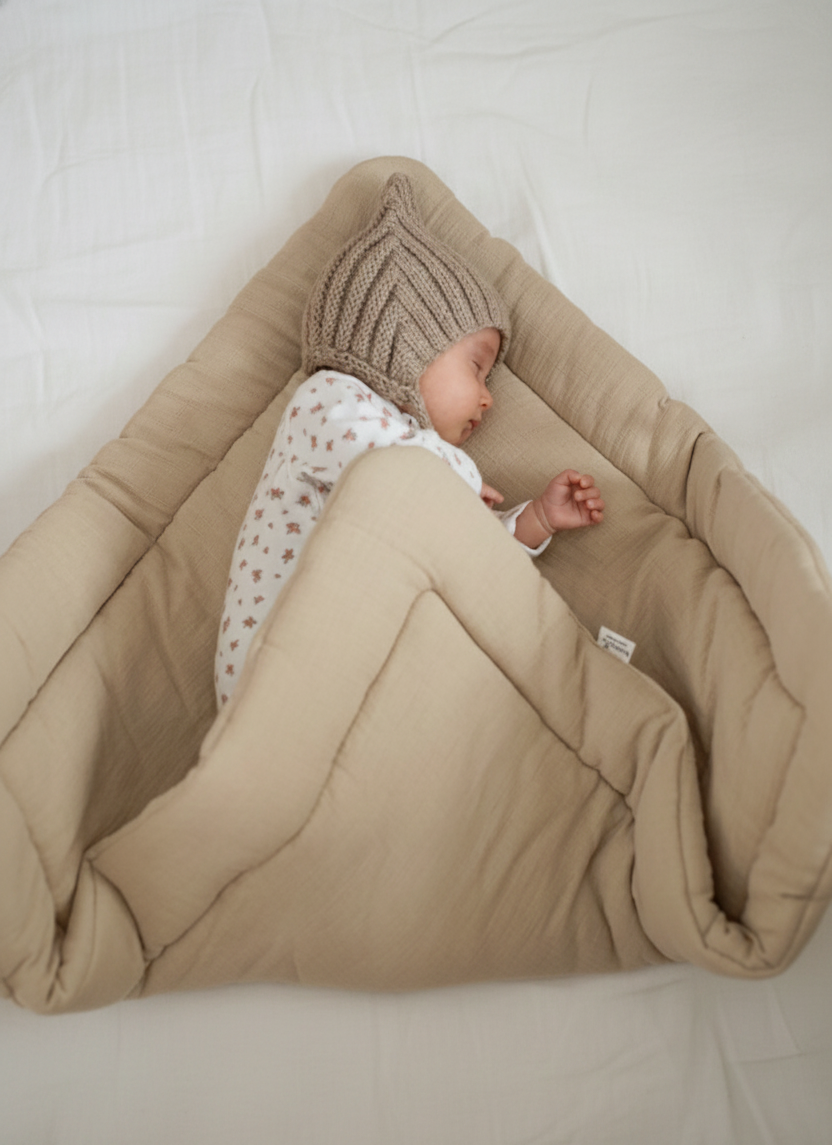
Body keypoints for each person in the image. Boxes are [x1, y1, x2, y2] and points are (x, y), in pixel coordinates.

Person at [214, 173, 603, 706]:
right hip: (274, 666)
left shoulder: (424, 455)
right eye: (477, 368)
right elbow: (386, 463)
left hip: (357, 669)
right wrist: (455, 476)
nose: (488, 399)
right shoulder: (326, 400)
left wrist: (535, 520)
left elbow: (464, 556)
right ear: (407, 347)